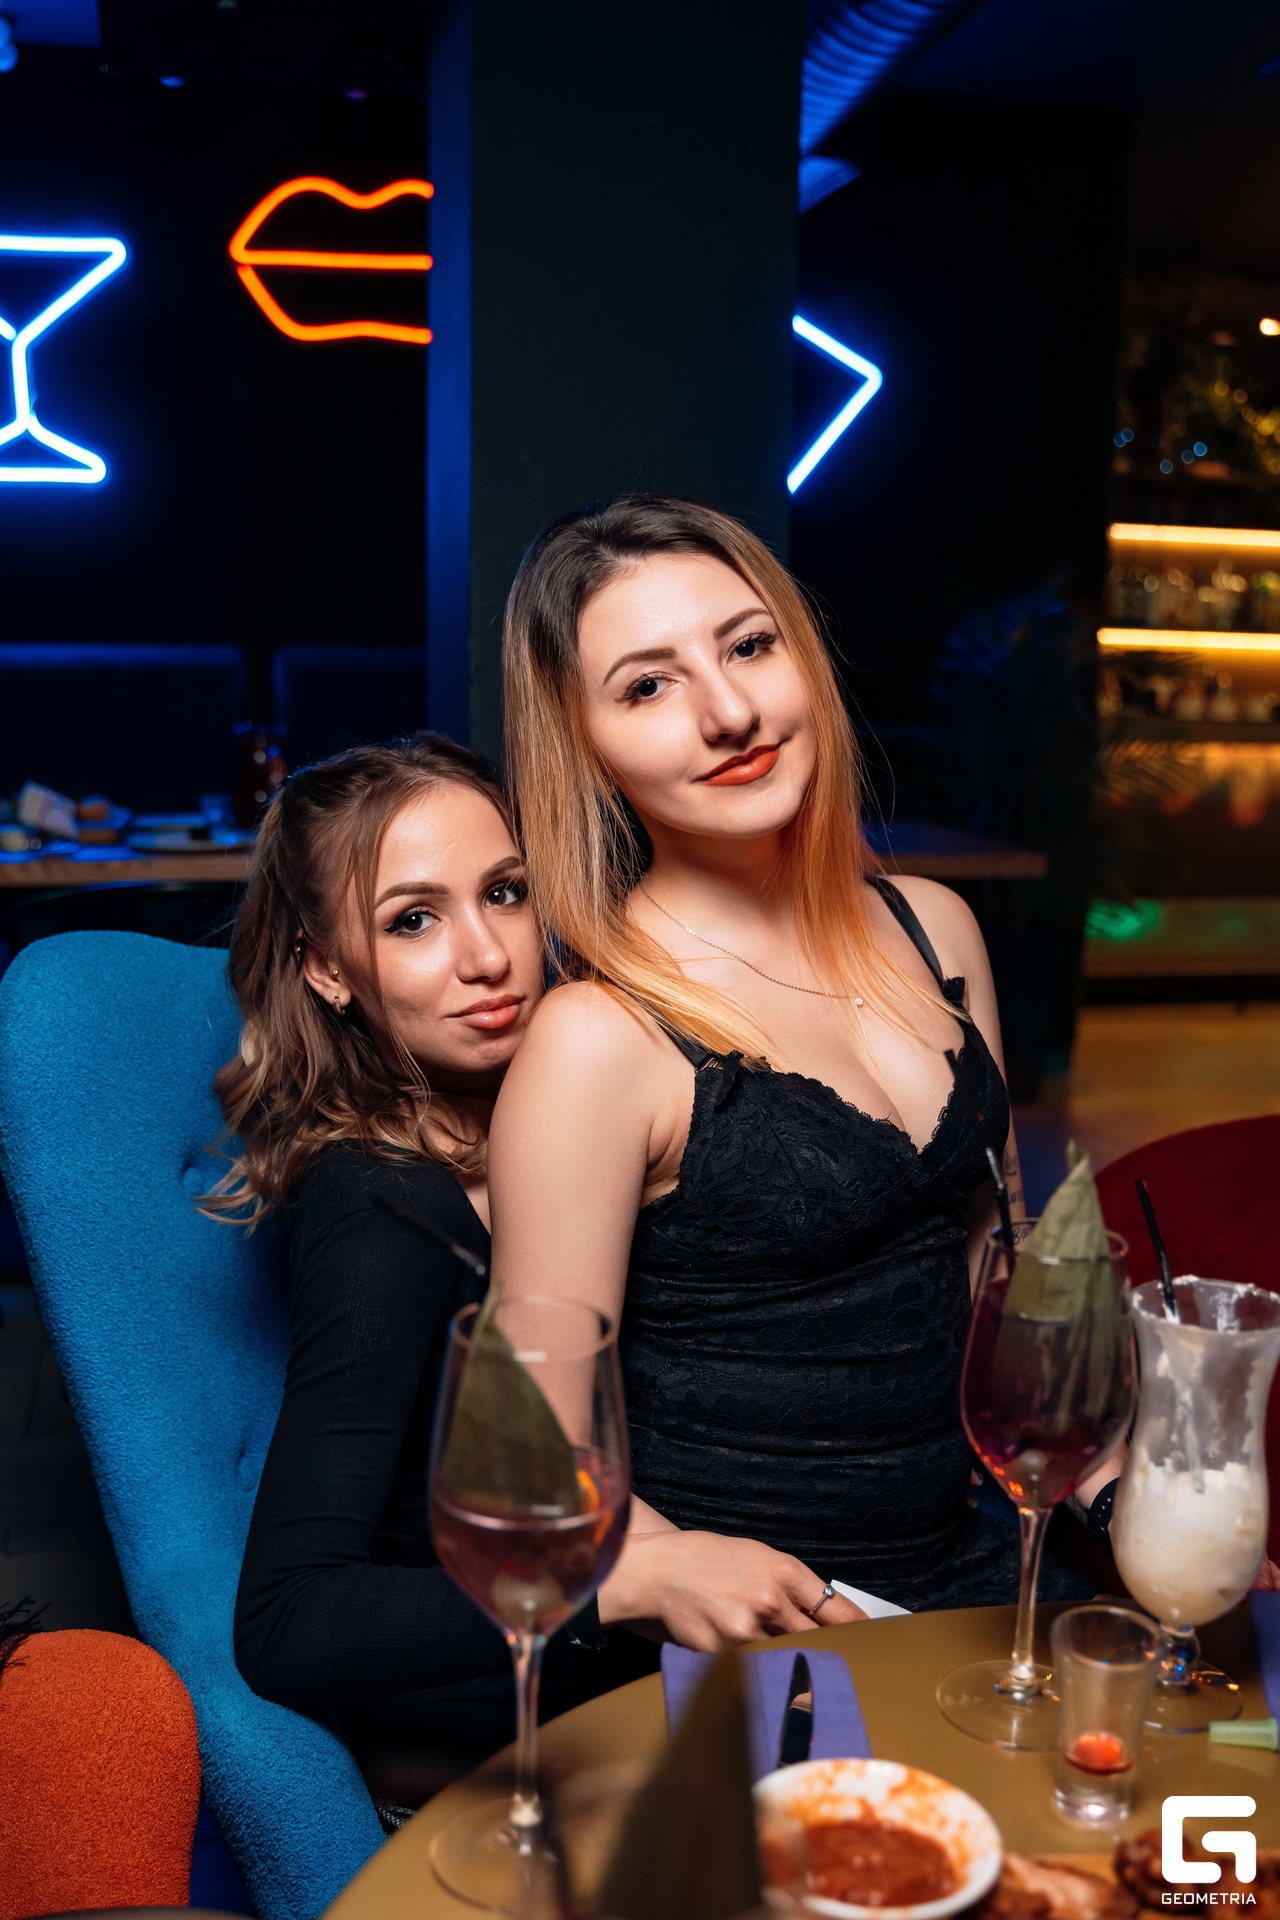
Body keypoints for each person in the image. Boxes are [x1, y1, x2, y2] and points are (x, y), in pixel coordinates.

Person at [490, 494, 1114, 1647]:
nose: (728, 712)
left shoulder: (934, 928)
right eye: (647, 686)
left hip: (975, 1571)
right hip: (755, 1631)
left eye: (746, 646)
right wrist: (663, 1569)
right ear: (584, 746)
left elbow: (1006, 1285)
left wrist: (1125, 1485)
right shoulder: (597, 1039)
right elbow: (532, 1452)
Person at [206, 736, 656, 1821]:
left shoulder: (580, 1125)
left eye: (504, 893)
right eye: (413, 920)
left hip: (627, 1697)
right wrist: (620, 1585)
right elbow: (288, 1620)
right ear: (326, 967)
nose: (487, 956)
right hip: (485, 1770)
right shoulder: (384, 1209)